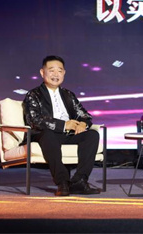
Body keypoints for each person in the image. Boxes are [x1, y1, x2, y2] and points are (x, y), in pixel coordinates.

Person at [23, 55, 101, 196]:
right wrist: (64, 125)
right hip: (45, 134)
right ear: (42, 72)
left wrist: (83, 124)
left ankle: (79, 181)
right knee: (49, 135)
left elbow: (84, 114)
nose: (56, 74)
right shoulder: (33, 95)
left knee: (92, 135)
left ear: (64, 73)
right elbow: (34, 120)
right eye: (51, 70)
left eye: (59, 71)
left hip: (68, 135)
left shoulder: (68, 94)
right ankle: (62, 182)